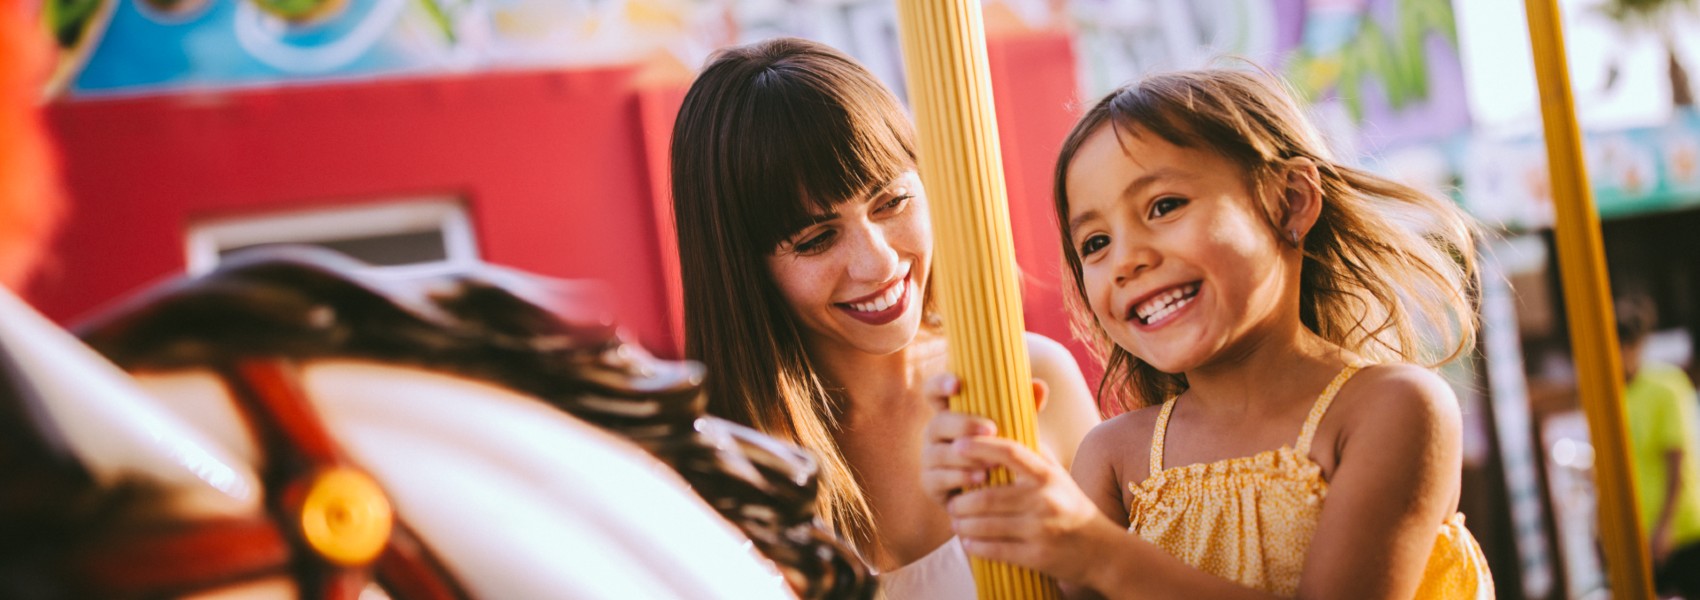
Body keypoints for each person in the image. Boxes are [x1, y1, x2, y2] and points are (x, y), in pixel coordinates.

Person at [921, 68, 1494, 598]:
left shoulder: (1389, 408)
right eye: (1094, 243)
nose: (1126, 260)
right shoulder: (1115, 456)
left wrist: (1095, 552)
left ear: (1288, 202)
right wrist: (992, 498)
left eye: (1164, 206)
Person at [668, 37, 1100, 597]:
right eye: (817, 239)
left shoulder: (1029, 376)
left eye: (891, 202)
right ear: (742, 269)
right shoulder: (715, 469)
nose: (878, 264)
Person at [1616, 292, 1700, 598]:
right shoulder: (1613, 396)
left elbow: (1677, 460)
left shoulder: (1666, 385)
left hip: (1683, 529)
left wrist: (1666, 526)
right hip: (1639, 534)